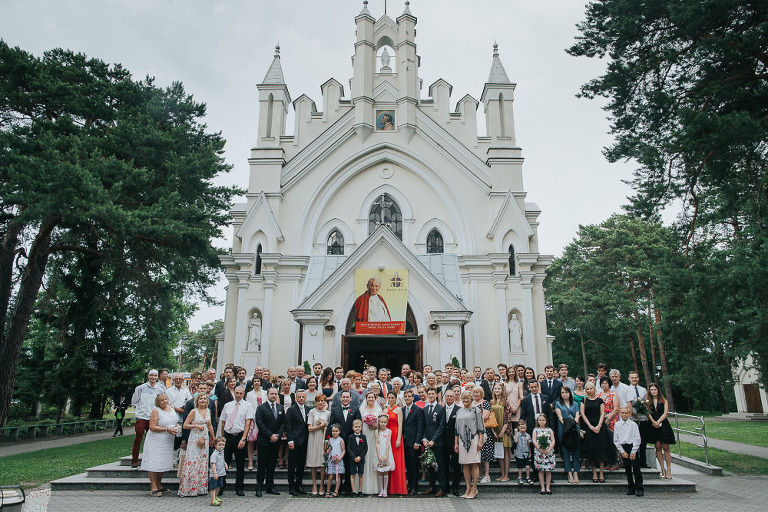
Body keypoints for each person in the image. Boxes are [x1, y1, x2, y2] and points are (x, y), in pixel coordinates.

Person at [218, 385, 254, 497]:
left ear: (243, 394)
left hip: (239, 436)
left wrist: (243, 438)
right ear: (234, 393)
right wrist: (222, 438)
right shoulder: (228, 405)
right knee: (224, 463)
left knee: (240, 464)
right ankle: (221, 485)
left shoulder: (248, 406)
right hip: (228, 436)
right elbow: (223, 422)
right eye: (237, 393)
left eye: (240, 393)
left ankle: (239, 487)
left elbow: (248, 423)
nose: (238, 395)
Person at [141, 393, 179, 496]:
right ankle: (153, 487)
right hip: (156, 440)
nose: (165, 401)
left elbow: (173, 420)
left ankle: (159, 484)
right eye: (162, 400)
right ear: (158, 402)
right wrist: (166, 429)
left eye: (166, 399)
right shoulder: (156, 411)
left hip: (168, 440)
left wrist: (176, 426)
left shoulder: (171, 408)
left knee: (163, 462)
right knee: (154, 462)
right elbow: (152, 427)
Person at [178, 393, 215, 497]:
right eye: (201, 399)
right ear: (197, 400)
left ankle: (200, 488)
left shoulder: (208, 411)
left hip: (204, 438)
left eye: (204, 399)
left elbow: (210, 425)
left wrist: (213, 437)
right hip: (194, 437)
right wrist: (196, 426)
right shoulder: (193, 411)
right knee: (193, 460)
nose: (203, 401)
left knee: (202, 461)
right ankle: (189, 488)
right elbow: (185, 425)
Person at [327, 390, 361, 495]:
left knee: (349, 464)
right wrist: (328, 441)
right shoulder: (335, 410)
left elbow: (359, 424)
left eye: (347, 397)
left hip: (351, 441)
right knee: (338, 463)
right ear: (340, 398)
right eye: (343, 397)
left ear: (350, 398)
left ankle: (348, 487)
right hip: (338, 442)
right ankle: (338, 487)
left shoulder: (355, 410)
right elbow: (330, 425)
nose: (345, 399)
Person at [581, 381, 615, 482]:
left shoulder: (600, 400)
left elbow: (602, 413)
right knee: (591, 451)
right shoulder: (584, 400)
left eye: (591, 388)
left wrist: (599, 425)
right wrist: (590, 426)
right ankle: (594, 473)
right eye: (587, 389)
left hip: (600, 427)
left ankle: (601, 472)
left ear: (594, 389)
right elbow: (583, 414)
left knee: (601, 451)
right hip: (589, 426)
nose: (589, 390)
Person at [255, 386, 285, 497]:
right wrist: (270, 435)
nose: (273, 396)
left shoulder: (280, 408)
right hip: (264, 440)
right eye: (271, 394)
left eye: (275, 394)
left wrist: (278, 434)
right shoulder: (261, 408)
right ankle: (259, 486)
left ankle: (270, 486)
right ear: (267, 395)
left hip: (276, 441)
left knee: (272, 464)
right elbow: (260, 423)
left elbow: (283, 423)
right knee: (262, 465)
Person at [130, 369, 164, 468]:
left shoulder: (160, 389)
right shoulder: (140, 388)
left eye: (155, 376)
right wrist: (139, 410)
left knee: (152, 439)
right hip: (141, 417)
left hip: (153, 418)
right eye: (151, 375)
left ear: (157, 377)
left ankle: (150, 460)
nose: (153, 378)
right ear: (148, 376)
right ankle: (134, 460)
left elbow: (162, 402)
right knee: (138, 438)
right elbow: (134, 401)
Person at [454, 390, 484, 499]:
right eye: (464, 398)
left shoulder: (476, 410)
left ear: (471, 399)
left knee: (474, 463)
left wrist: (480, 441)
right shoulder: (459, 411)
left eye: (468, 398)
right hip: (462, 440)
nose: (466, 400)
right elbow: (456, 429)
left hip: (473, 439)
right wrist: (456, 443)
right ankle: (467, 488)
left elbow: (481, 427)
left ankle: (474, 488)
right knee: (465, 464)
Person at [420, 387, 446, 496]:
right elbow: (423, 426)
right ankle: (431, 486)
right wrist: (425, 439)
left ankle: (442, 488)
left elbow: (441, 426)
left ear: (436, 395)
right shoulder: (425, 409)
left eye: (432, 394)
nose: (430, 395)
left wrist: (433, 440)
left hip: (438, 442)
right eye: (429, 394)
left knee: (440, 466)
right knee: (429, 465)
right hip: (428, 442)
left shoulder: (441, 409)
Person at [647, 382, 676, 479]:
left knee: (666, 447)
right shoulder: (648, 402)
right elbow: (647, 412)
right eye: (651, 390)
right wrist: (653, 422)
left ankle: (669, 469)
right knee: (657, 447)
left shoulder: (663, 401)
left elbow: (665, 413)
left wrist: (658, 422)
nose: (653, 391)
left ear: (658, 390)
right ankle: (662, 468)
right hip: (653, 425)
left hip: (663, 425)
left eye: (655, 389)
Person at [614, 406, 644, 496]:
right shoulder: (617, 425)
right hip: (623, 447)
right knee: (627, 469)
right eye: (622, 413)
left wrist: (634, 451)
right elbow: (616, 440)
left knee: (636, 469)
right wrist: (622, 451)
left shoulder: (633, 425)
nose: (624, 414)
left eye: (626, 413)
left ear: (629, 413)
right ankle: (631, 487)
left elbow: (637, 438)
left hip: (632, 447)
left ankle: (639, 487)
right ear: (619, 413)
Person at [554, 386, 581, 483]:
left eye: (566, 392)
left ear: (570, 393)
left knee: (576, 451)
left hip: (574, 428)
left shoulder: (575, 404)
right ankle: (569, 472)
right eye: (562, 392)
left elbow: (577, 415)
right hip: (564, 428)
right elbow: (559, 416)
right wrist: (567, 424)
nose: (564, 394)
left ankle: (576, 472)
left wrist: (574, 423)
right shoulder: (558, 404)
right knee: (564, 451)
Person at [285, 389, 309, 495]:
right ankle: (291, 486)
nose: (301, 398)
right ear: (296, 398)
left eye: (303, 397)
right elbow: (288, 426)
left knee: (300, 465)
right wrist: (290, 440)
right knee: (292, 465)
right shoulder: (292, 409)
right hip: (294, 441)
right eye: (299, 397)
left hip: (304, 441)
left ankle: (299, 484)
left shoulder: (308, 409)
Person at [401, 388, 425, 495]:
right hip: (403, 442)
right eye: (405, 396)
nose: (407, 398)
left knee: (414, 466)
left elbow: (420, 427)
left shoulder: (417, 410)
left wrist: (417, 442)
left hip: (413, 442)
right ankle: (408, 485)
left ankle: (414, 487)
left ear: (412, 398)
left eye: (409, 396)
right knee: (407, 466)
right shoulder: (401, 410)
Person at [359, 390, 383, 494]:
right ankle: (362, 486)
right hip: (365, 434)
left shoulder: (378, 409)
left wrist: (375, 424)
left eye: (372, 397)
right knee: (365, 457)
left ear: (375, 398)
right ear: (366, 399)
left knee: (374, 457)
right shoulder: (362, 409)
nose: (370, 399)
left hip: (375, 435)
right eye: (369, 397)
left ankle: (375, 487)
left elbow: (382, 423)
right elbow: (359, 422)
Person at [306, 394, 331, 494]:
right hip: (313, 438)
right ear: (315, 402)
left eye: (322, 401)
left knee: (322, 463)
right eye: (318, 401)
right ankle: (314, 485)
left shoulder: (328, 413)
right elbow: (309, 428)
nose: (320, 403)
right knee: (313, 462)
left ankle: (321, 485)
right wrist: (320, 426)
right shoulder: (312, 412)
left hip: (323, 439)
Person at [167, 372, 192, 467]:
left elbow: (189, 403)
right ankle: (172, 459)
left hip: (183, 418)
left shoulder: (186, 391)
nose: (178, 381)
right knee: (173, 439)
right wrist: (178, 409)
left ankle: (178, 460)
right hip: (172, 417)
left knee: (181, 439)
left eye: (180, 379)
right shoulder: (169, 391)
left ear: (183, 380)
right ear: (173, 380)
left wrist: (184, 410)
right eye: (176, 379)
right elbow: (168, 404)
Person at [385, 390, 407, 495]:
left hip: (396, 435)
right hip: (387, 436)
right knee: (388, 459)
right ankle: (388, 488)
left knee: (397, 461)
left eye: (392, 398)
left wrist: (398, 438)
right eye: (389, 398)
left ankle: (398, 488)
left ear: (395, 398)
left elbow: (400, 425)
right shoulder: (385, 410)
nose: (390, 400)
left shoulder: (398, 410)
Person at [471, 385, 494, 483]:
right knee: (477, 454)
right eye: (474, 392)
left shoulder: (485, 403)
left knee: (485, 454)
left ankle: (487, 475)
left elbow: (484, 416)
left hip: (483, 431)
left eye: (478, 392)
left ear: (482, 394)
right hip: (474, 431)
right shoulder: (471, 403)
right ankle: (479, 473)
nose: (476, 394)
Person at [490, 382, 512, 482]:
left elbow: (507, 419)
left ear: (502, 391)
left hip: (504, 430)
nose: (497, 391)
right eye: (495, 389)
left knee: (506, 451)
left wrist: (502, 431)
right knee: (499, 453)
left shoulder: (506, 402)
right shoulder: (492, 402)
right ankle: (502, 474)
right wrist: (493, 431)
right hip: (495, 429)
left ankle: (506, 475)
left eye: (499, 389)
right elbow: (489, 418)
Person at [441, 389, 462, 495]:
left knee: (456, 465)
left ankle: (456, 486)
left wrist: (457, 443)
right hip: (443, 442)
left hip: (455, 442)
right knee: (444, 465)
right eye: (447, 396)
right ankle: (446, 487)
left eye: (451, 396)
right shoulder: (441, 409)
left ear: (455, 397)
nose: (449, 398)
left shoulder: (459, 409)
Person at [245, 376, 267, 470]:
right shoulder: (249, 394)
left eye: (258, 381)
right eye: (255, 381)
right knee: (251, 440)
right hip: (253, 418)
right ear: (252, 383)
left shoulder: (265, 393)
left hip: (264, 419)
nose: (257, 382)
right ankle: (250, 461)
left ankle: (259, 459)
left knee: (260, 440)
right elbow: (249, 406)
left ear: (261, 382)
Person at [532, 413, 555, 495]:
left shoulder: (549, 430)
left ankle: (548, 487)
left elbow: (553, 440)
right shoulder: (535, 430)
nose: (542, 421)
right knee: (541, 470)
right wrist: (539, 449)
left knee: (548, 470)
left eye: (543, 420)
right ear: (537, 421)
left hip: (548, 452)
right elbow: (534, 440)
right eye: (540, 420)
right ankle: (542, 487)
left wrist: (549, 449)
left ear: (546, 421)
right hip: (539, 452)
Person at [374, 414, 395, 497]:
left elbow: (388, 443)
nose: (383, 424)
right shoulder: (376, 431)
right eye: (381, 422)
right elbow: (377, 443)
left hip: (386, 452)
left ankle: (385, 489)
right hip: (379, 452)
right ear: (379, 423)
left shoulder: (389, 431)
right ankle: (381, 489)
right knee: (380, 472)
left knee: (385, 471)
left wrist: (386, 455)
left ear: (387, 422)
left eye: (384, 422)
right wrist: (378, 455)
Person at [347, 419, 368, 495]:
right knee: (352, 474)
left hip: (361, 459)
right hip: (353, 459)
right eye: (356, 427)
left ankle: (360, 490)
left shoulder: (364, 437)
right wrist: (354, 457)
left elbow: (366, 448)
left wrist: (360, 457)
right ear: (353, 428)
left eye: (359, 426)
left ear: (361, 427)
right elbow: (349, 448)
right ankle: (353, 490)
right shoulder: (350, 437)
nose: (357, 428)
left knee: (361, 474)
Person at [325, 424, 346, 497]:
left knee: (338, 476)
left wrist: (339, 458)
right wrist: (327, 451)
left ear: (339, 431)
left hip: (338, 460)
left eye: (336, 431)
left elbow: (343, 450)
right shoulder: (330, 440)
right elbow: (328, 449)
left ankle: (336, 491)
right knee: (330, 476)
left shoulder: (341, 440)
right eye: (333, 431)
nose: (334, 433)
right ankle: (328, 490)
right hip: (331, 460)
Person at [208, 436, 227, 506]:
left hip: (221, 473)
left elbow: (222, 460)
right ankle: (213, 499)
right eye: (219, 445)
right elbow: (213, 464)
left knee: (219, 486)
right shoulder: (214, 454)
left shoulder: (222, 452)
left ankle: (216, 497)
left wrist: (225, 464)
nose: (221, 446)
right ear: (215, 445)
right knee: (213, 487)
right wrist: (215, 473)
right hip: (215, 474)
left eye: (223, 445)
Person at [513, 420, 533, 485]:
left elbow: (529, 444)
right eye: (521, 428)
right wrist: (515, 433)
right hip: (519, 453)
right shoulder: (518, 435)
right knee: (520, 466)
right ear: (519, 428)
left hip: (526, 453)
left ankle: (528, 477)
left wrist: (530, 452)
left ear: (526, 428)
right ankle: (520, 477)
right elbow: (515, 441)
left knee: (527, 466)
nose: (523, 430)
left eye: (524, 428)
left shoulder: (528, 435)